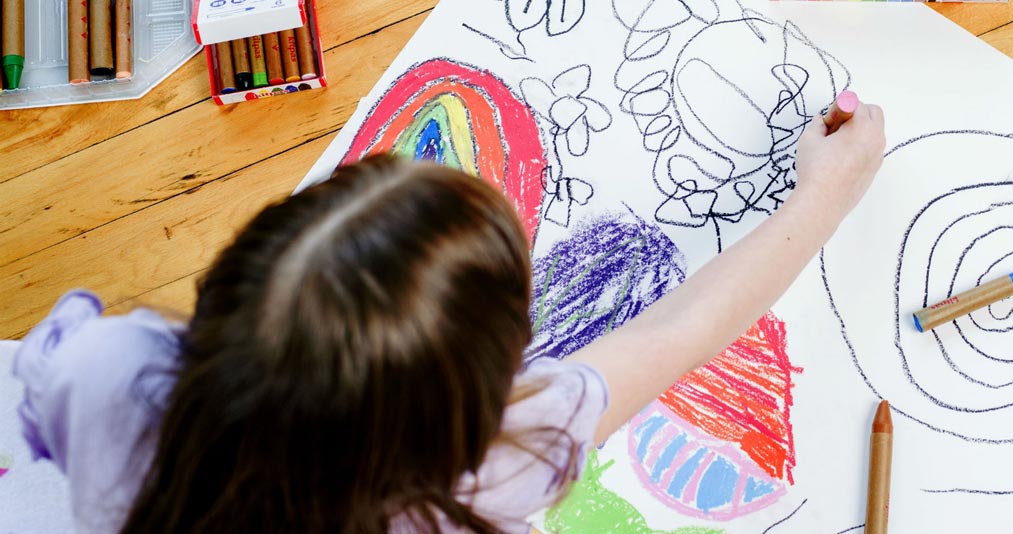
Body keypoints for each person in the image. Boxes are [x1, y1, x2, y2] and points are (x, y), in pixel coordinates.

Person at [14, 102, 885, 534]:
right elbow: (680, 333)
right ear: (479, 400)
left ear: (222, 294)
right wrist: (823, 199)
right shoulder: (490, 471)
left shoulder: (106, 366)